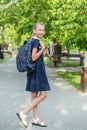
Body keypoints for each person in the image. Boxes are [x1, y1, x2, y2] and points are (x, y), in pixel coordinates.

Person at [16, 22, 50, 128]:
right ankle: (24, 113)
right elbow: (34, 57)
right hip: (37, 72)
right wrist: (42, 50)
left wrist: (43, 52)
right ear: (34, 31)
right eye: (39, 30)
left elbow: (36, 57)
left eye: (43, 30)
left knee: (35, 96)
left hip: (34, 71)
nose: (42, 32)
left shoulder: (36, 41)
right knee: (44, 95)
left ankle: (35, 119)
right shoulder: (35, 41)